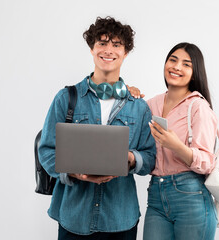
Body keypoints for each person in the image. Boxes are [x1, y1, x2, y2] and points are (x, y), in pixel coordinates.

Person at [38, 16, 156, 240]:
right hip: (74, 217)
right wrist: (74, 172)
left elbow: (150, 158)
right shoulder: (66, 98)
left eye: (116, 44)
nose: (108, 50)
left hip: (120, 219)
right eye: (102, 43)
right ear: (92, 49)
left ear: (126, 53)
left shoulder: (138, 106)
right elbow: (46, 150)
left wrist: (130, 158)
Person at [143, 42, 218, 240]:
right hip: (156, 195)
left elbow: (208, 162)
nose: (176, 67)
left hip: (190, 196)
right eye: (173, 60)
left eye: (186, 64)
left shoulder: (198, 106)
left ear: (194, 73)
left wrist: (176, 146)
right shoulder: (152, 104)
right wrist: (129, 93)